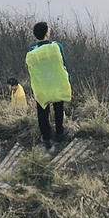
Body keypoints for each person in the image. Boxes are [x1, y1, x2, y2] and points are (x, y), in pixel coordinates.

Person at [25, 21, 71, 151]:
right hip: (56, 83)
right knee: (58, 107)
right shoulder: (57, 47)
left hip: (42, 87)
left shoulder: (32, 52)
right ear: (47, 33)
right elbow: (63, 64)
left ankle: (46, 137)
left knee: (42, 111)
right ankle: (60, 132)